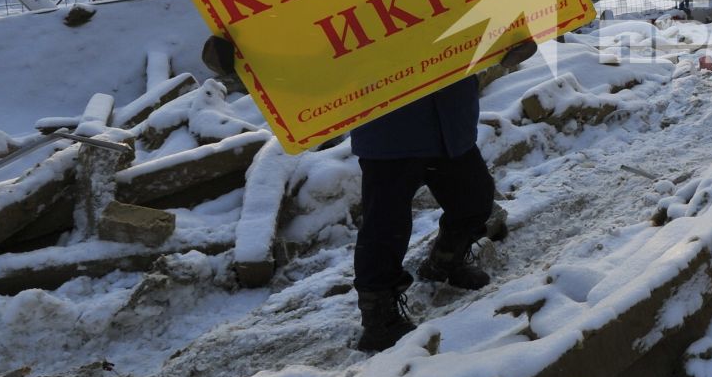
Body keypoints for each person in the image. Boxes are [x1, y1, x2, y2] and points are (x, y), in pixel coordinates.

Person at [202, 35, 533, 352]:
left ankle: (445, 262)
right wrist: (234, 57)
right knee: (385, 226)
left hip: (451, 117)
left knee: (475, 200)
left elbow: (482, 13)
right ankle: (379, 318)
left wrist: (508, 42)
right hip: (389, 127)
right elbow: (294, 35)